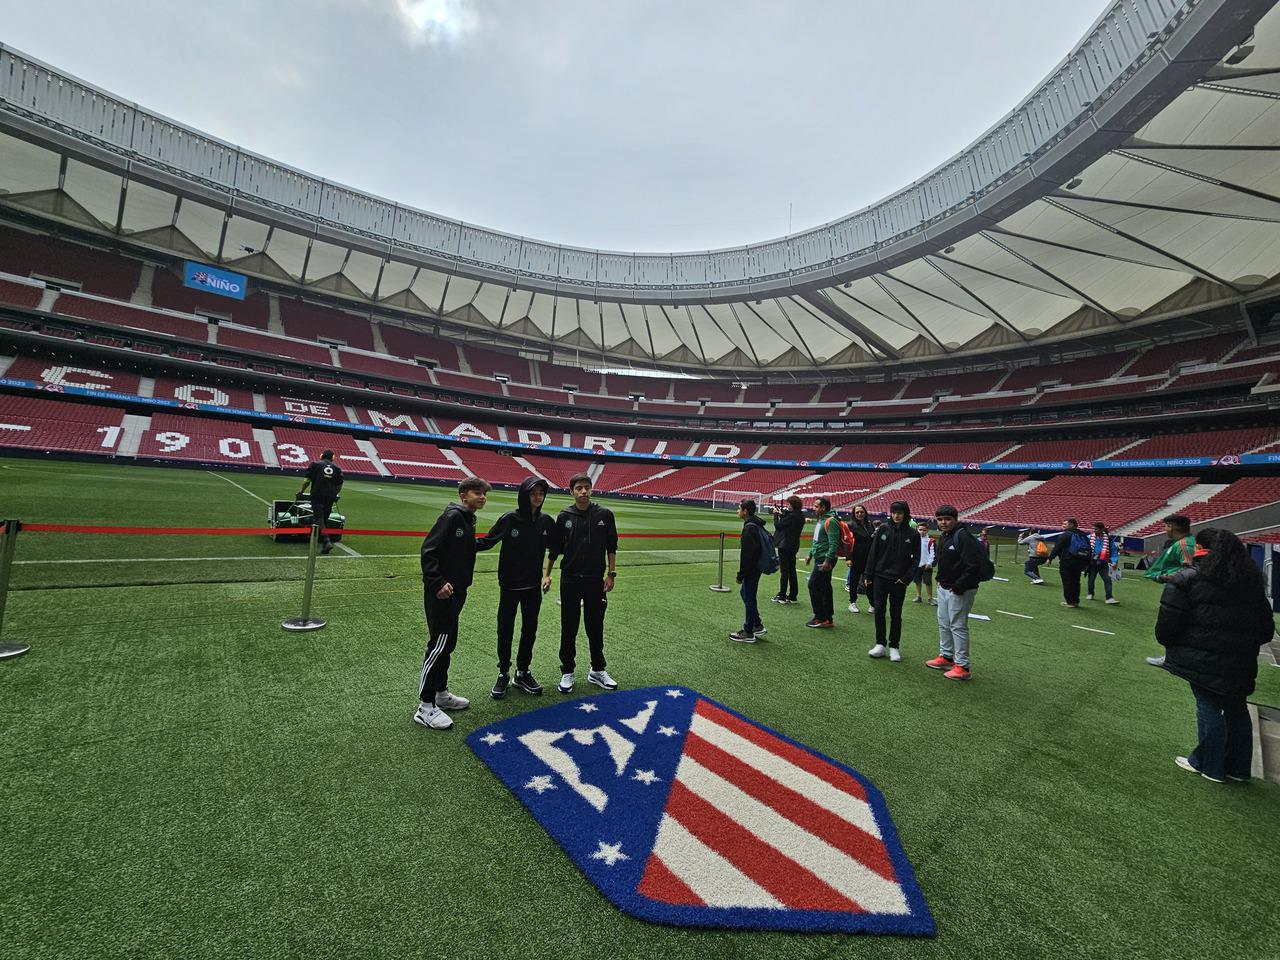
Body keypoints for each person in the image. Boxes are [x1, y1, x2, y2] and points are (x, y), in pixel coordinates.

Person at [1155, 529, 1275, 783]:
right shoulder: (1251, 583)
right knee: (1236, 708)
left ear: (1201, 549)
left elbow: (1168, 624)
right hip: (1240, 660)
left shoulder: (1188, 579)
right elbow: (1266, 630)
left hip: (1202, 658)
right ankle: (1239, 768)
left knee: (1208, 706)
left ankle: (1209, 765)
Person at [414, 476, 491, 731]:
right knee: (438, 645)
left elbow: (465, 547)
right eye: (477, 493)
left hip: (457, 591)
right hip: (442, 593)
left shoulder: (468, 518)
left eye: (484, 494)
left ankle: (440, 693)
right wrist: (437, 582)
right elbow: (428, 551)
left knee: (448, 643)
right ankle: (424, 707)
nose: (482, 497)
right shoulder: (452, 517)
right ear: (463, 495)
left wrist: (495, 537)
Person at [478, 476, 554, 698]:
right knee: (505, 630)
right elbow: (487, 541)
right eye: (533, 493)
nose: (538, 497)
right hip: (510, 585)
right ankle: (503, 673)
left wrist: (547, 574)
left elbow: (558, 546)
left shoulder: (546, 521)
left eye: (541, 493)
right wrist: (455, 546)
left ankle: (522, 672)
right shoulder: (510, 519)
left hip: (532, 586)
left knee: (529, 630)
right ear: (524, 494)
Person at [545, 473, 619, 693]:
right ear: (572, 492)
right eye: (579, 488)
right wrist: (547, 574)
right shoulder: (564, 516)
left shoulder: (604, 514)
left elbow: (611, 546)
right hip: (570, 579)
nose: (583, 491)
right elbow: (555, 549)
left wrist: (611, 574)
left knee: (595, 626)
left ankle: (597, 670)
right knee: (569, 626)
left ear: (591, 489)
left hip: (595, 580)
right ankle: (567, 671)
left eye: (587, 487)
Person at [927, 504, 984, 681]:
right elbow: (944, 561)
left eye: (947, 519)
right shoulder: (945, 536)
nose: (943, 522)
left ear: (955, 519)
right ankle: (946, 657)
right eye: (940, 519)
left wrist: (958, 585)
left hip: (960, 589)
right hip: (944, 586)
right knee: (944, 622)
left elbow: (973, 565)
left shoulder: (963, 536)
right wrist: (939, 580)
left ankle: (963, 666)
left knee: (958, 625)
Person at [862, 500, 920, 661]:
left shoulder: (913, 534)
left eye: (900, 513)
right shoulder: (883, 529)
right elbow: (873, 554)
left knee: (896, 614)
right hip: (880, 577)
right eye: (894, 512)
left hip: (898, 581)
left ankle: (894, 646)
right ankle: (880, 644)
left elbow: (916, 559)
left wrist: (906, 579)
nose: (896, 515)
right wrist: (868, 575)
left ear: (905, 514)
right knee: (879, 611)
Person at [1144, 514, 1195, 666]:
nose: (1164, 529)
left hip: (1180, 592)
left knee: (1173, 623)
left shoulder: (1184, 545)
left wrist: (1162, 577)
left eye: (1165, 526)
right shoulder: (1182, 542)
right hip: (1178, 590)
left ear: (1171, 527)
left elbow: (1188, 570)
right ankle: (1172, 656)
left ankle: (1171, 658)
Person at [731, 499, 770, 643]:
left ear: (745, 511)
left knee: (748, 596)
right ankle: (757, 624)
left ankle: (748, 631)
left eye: (739, 508)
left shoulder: (749, 528)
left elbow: (747, 555)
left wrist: (741, 575)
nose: (737, 511)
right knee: (746, 594)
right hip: (756, 567)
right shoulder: (756, 524)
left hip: (752, 568)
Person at [297, 449, 344, 555]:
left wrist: (301, 491)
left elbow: (307, 481)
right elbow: (339, 485)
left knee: (319, 518)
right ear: (332, 458)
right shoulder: (337, 468)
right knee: (324, 518)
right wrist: (334, 494)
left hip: (317, 495)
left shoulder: (315, 464)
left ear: (322, 456)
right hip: (330, 497)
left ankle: (326, 541)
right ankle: (321, 540)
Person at [803, 497, 838, 628]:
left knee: (813, 584)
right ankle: (827, 618)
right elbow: (817, 541)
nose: (814, 508)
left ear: (823, 508)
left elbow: (834, 543)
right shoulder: (821, 521)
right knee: (824, 587)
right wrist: (810, 554)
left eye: (816, 506)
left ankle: (820, 617)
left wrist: (828, 560)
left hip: (825, 558)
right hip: (820, 557)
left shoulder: (831, 521)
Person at [1047, 518, 1091, 608]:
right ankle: (1075, 601)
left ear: (1071, 525)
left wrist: (1050, 558)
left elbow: (1057, 548)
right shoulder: (1083, 535)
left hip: (1068, 561)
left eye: (1065, 524)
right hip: (1080, 562)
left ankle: (1070, 602)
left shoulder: (1065, 535)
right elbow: (1089, 549)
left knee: (1067, 581)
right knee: (1076, 581)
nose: (1062, 525)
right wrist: (1087, 563)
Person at [771, 496, 804, 605]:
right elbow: (789, 517)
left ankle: (782, 595)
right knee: (792, 570)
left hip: (784, 545)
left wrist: (776, 515)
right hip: (794, 545)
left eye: (789, 504)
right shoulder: (800, 515)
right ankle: (793, 596)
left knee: (784, 571)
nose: (787, 506)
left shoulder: (792, 516)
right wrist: (781, 514)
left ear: (793, 505)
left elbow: (778, 525)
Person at [844, 504, 875, 613]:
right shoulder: (850, 525)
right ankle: (852, 603)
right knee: (854, 581)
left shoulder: (870, 525)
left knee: (870, 582)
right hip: (856, 558)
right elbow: (847, 543)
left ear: (865, 513)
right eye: (857, 512)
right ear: (854, 514)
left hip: (869, 559)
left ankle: (872, 604)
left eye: (861, 512)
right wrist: (848, 558)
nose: (859, 514)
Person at [1086, 522, 1120, 604]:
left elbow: (1113, 551)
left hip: (1104, 563)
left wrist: (1114, 561)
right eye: (1093, 529)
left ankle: (1109, 598)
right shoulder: (1089, 538)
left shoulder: (1108, 539)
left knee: (1107, 579)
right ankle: (1090, 593)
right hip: (1092, 563)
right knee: (1091, 579)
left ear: (1101, 529)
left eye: (1096, 529)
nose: (1094, 530)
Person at [913, 522, 936, 605]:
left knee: (928, 582)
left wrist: (929, 563)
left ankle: (930, 598)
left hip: (927, 565)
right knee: (917, 581)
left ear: (928, 530)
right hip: (916, 565)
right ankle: (918, 596)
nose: (922, 531)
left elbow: (933, 553)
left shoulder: (931, 541)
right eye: (920, 530)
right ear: (917, 530)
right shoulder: (914, 540)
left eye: (924, 530)